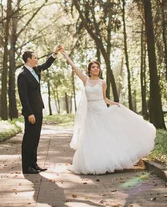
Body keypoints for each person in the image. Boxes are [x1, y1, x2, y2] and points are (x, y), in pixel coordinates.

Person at [61, 50, 156, 175]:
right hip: (90, 114)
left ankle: (108, 161)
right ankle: (91, 163)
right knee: (90, 138)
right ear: (89, 70)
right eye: (93, 67)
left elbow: (104, 98)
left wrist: (115, 104)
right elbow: (74, 67)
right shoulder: (86, 80)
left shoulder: (103, 83)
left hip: (101, 111)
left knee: (104, 136)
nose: (96, 69)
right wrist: (65, 55)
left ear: (99, 70)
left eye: (97, 67)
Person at [17, 45, 63, 175]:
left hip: (39, 108)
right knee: (29, 138)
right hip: (31, 111)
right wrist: (29, 112)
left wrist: (55, 53)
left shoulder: (35, 70)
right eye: (35, 58)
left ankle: (34, 164)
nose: (37, 60)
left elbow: (46, 65)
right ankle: (26, 167)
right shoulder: (22, 75)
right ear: (28, 59)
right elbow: (23, 96)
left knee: (36, 137)